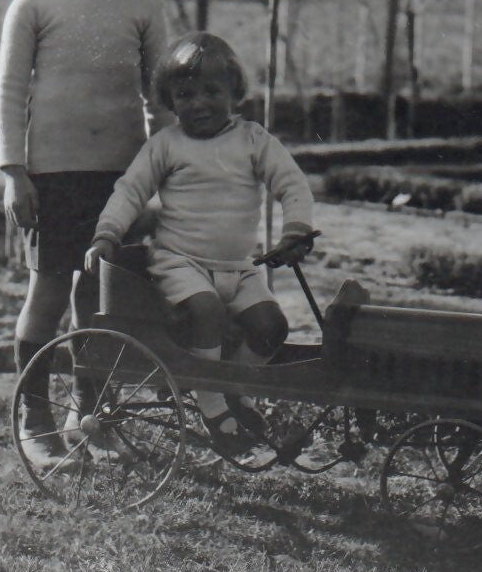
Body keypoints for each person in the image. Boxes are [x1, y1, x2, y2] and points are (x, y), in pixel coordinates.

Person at [0, 0, 168, 466]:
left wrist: (164, 176)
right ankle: (34, 417)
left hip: (119, 180)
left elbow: (159, 100)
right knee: (49, 289)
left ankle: (91, 415)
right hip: (51, 177)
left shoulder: (143, 9)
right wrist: (14, 171)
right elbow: (11, 91)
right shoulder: (34, 6)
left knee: (100, 299)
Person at [84, 33, 315, 450]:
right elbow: (130, 191)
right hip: (180, 263)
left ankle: (236, 391)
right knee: (206, 311)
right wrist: (108, 234)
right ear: (170, 101)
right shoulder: (167, 145)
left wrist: (295, 229)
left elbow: (292, 184)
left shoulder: (253, 140)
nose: (199, 103)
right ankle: (211, 404)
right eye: (185, 94)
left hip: (239, 267)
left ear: (234, 94)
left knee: (272, 326)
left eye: (212, 92)